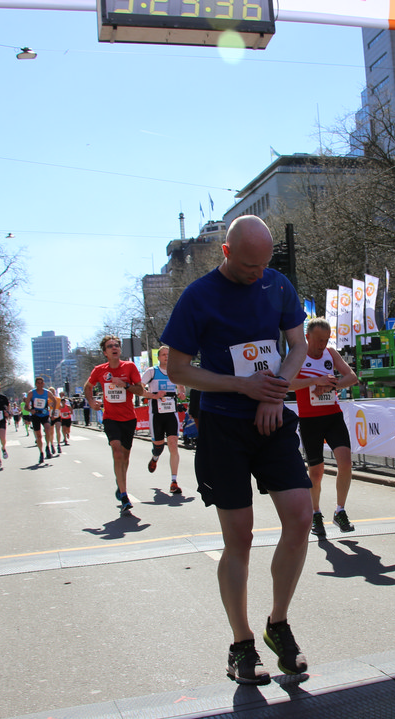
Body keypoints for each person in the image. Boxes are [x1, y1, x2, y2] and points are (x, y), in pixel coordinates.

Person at [161, 215, 313, 686]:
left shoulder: (277, 284)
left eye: (264, 264)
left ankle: (278, 624)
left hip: (272, 419)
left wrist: (273, 392)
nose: (258, 274)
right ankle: (241, 643)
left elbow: (297, 346)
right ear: (226, 253)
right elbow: (178, 370)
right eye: (249, 266)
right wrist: (242, 386)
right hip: (223, 426)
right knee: (240, 538)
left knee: (301, 517)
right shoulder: (198, 296)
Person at [288, 317, 359, 537]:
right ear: (307, 337)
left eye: (326, 339)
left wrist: (331, 385)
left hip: (332, 416)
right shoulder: (298, 356)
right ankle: (315, 513)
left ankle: (340, 510)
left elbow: (352, 377)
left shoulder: (331, 353)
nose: (322, 344)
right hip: (310, 420)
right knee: (316, 472)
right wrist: (314, 381)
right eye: (319, 339)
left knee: (345, 463)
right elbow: (287, 384)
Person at [84, 335, 154, 510]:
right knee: (117, 452)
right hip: (110, 418)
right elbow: (88, 386)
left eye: (117, 345)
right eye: (110, 346)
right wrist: (91, 401)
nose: (114, 348)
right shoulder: (99, 370)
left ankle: (120, 482)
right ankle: (124, 495)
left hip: (128, 418)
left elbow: (141, 390)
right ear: (105, 352)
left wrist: (125, 385)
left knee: (125, 457)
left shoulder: (129, 367)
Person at [141, 345, 187, 495]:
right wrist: (153, 395)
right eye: (163, 355)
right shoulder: (151, 371)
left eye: (169, 354)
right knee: (159, 447)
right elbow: (139, 388)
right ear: (158, 357)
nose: (166, 357)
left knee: (173, 445)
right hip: (156, 414)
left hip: (171, 413)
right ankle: (155, 457)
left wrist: (181, 393)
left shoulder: (175, 372)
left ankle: (174, 481)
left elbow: (181, 388)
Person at [24, 377, 58, 464]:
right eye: (38, 383)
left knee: (47, 429)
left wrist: (53, 413)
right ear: (35, 384)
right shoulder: (31, 393)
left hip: (45, 414)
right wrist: (30, 410)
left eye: (41, 383)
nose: (39, 385)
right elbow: (25, 407)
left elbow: (54, 400)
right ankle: (41, 452)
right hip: (35, 415)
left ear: (43, 384)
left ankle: (47, 447)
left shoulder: (47, 392)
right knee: (38, 436)